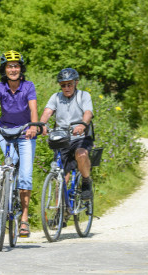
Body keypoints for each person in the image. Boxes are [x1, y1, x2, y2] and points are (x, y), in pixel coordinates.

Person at [0, 50, 39, 238]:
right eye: (9, 66)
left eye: (16, 66)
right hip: (5, 132)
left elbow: (33, 109)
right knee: (10, 161)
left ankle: (24, 219)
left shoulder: (28, 86)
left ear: (21, 69)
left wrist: (33, 127)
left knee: (25, 176)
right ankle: (2, 184)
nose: (13, 69)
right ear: (4, 69)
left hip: (25, 133)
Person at [40, 68, 94, 200]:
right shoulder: (56, 97)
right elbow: (47, 112)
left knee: (81, 153)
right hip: (62, 137)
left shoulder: (83, 95)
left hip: (80, 137)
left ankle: (86, 181)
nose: (66, 87)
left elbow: (88, 112)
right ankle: (61, 212)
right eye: (63, 85)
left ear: (76, 83)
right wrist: (41, 124)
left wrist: (82, 124)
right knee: (61, 174)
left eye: (69, 84)